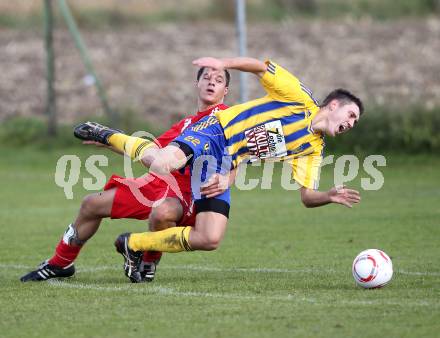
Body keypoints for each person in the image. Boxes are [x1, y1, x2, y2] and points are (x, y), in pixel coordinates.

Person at [77, 56, 363, 283]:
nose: (351, 123)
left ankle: (133, 243)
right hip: (214, 130)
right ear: (333, 104)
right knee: (163, 163)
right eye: (350, 115)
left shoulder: (313, 149)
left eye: (355, 122)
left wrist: (329, 195)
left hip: (224, 160)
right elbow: (261, 67)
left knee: (209, 238)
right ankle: (112, 136)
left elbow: (306, 196)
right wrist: (223, 65)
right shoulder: (299, 99)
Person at [20, 66, 232, 282]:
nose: (211, 82)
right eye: (205, 78)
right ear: (197, 84)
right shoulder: (185, 124)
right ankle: (60, 263)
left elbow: (241, 154)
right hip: (159, 183)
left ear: (226, 90)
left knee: (162, 213)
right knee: (91, 204)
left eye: (218, 80)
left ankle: (148, 261)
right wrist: (109, 141)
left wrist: (227, 179)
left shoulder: (227, 119)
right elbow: (151, 152)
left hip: (190, 193)